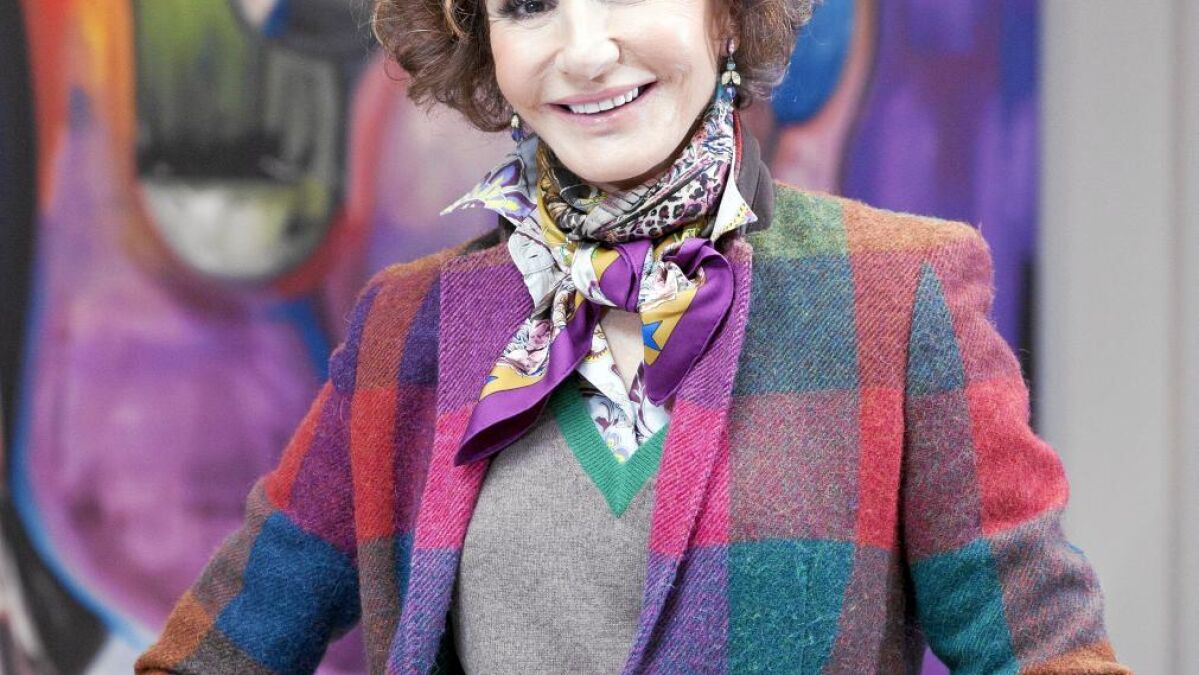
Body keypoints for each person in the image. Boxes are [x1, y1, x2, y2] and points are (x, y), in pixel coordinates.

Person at [137, 0, 1132, 672]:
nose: (583, 49)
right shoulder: (407, 329)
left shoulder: (895, 293)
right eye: (528, 3)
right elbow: (224, 645)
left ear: (726, 13)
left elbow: (1040, 648)